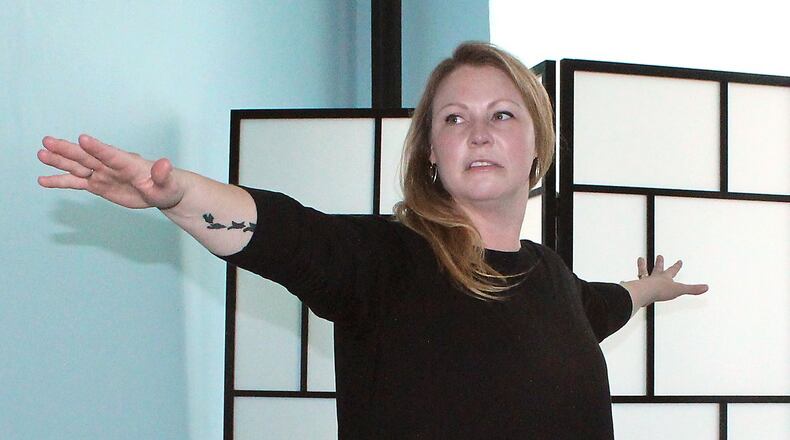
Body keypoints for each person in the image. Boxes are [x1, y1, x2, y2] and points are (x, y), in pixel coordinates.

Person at [37, 42, 708, 439]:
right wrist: (179, 195)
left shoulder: (553, 279)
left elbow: (605, 302)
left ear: (537, 149)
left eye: (503, 114)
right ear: (431, 156)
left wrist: (652, 286)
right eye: (455, 118)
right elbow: (285, 235)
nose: (479, 131)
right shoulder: (386, 262)